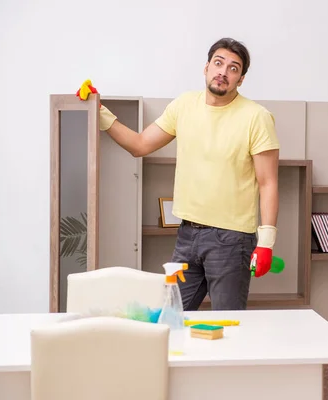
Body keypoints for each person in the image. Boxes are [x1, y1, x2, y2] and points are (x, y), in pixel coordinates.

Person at [79, 38, 280, 311]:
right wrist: (99, 111)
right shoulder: (184, 105)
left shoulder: (257, 117)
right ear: (206, 67)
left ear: (241, 79)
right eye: (218, 63)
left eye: (233, 68)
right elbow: (140, 145)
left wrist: (266, 242)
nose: (223, 72)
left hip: (232, 241)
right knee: (170, 320)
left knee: (230, 326)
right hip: (188, 235)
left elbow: (268, 183)